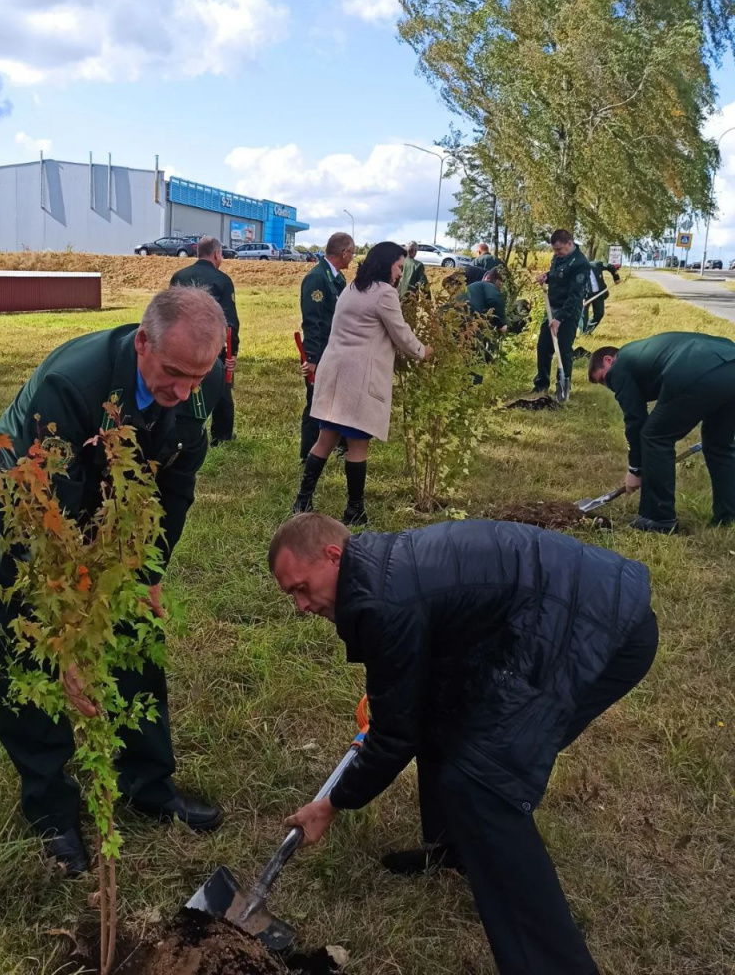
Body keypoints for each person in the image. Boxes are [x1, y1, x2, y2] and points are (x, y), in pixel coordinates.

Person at [269, 512, 658, 975]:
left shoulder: (380, 600)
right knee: (444, 718)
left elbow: (394, 738)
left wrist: (330, 804)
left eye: (301, 588)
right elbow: (415, 708)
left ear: (333, 556)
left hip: (597, 631)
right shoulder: (380, 568)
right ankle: (454, 848)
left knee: (483, 785)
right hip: (562, 612)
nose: (300, 606)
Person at [0, 287, 227, 875]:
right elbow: (50, 535)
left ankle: (148, 784)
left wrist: (149, 572)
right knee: (29, 648)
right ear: (143, 343)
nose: (185, 391)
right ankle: (49, 807)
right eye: (173, 374)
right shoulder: (73, 385)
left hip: (117, 500)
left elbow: (174, 489)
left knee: (136, 630)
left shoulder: (198, 383)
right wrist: (67, 643)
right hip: (25, 502)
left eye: (198, 376)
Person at [293, 241, 433, 525]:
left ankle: (302, 500)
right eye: (398, 267)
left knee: (325, 440)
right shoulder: (384, 293)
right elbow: (402, 334)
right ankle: (354, 510)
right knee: (358, 446)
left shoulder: (352, 287)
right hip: (358, 380)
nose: (399, 274)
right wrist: (424, 351)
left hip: (334, 375)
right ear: (386, 265)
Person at [588, 332, 735, 532]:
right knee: (719, 445)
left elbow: (635, 419)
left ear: (608, 360)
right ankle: (729, 515)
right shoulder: (642, 353)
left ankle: (658, 519)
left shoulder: (621, 364)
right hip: (729, 362)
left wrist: (635, 469)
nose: (610, 386)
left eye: (604, 379)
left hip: (695, 369)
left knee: (654, 437)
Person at [170, 236, 239, 445]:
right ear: (217, 253)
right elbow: (230, 323)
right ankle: (222, 434)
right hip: (211, 346)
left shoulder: (178, 276)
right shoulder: (222, 280)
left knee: (178, 386)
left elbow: (168, 313)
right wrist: (232, 353)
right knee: (221, 389)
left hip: (180, 344)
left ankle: (176, 427)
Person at [299, 232, 357, 462]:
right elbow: (312, 322)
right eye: (352, 253)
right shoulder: (317, 278)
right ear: (344, 253)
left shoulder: (338, 278)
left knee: (340, 400)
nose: (352, 258)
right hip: (321, 352)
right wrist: (311, 358)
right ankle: (307, 454)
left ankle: (340, 446)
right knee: (316, 403)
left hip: (337, 351)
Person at [534, 228, 591, 397]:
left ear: (570, 244)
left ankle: (563, 389)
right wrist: (546, 277)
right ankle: (541, 385)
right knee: (543, 346)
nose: (557, 253)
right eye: (555, 250)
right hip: (552, 308)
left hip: (569, 311)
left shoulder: (581, 264)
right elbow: (556, 275)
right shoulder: (558, 257)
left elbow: (575, 296)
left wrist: (560, 318)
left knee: (563, 349)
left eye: (560, 250)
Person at [580, 260, 621, 334]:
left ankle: (588, 331)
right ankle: (583, 333)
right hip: (585, 295)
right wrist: (582, 298)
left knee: (599, 314)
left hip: (599, 293)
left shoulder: (596, 265)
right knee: (583, 315)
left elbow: (610, 266)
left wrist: (616, 278)